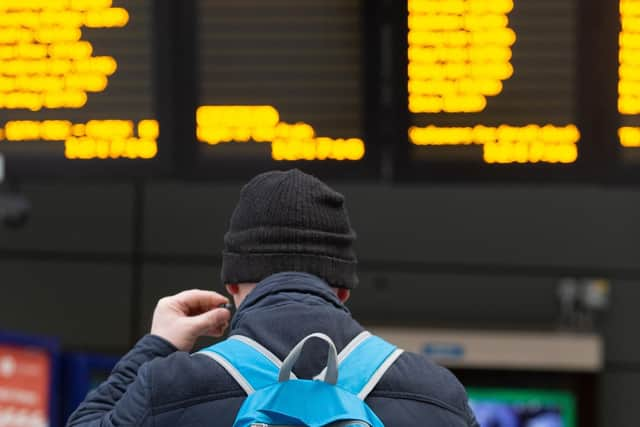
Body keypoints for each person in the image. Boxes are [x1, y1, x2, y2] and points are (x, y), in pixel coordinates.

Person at [67, 169, 479, 427]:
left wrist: (156, 346)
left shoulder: (171, 386)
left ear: (232, 286)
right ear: (343, 289)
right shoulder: (438, 395)